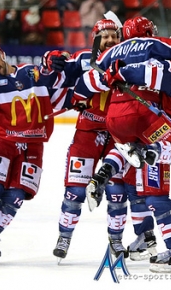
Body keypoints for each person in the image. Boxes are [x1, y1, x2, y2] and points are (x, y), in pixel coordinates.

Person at [77, 18, 171, 272]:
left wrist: (118, 72)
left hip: (163, 128)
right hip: (154, 128)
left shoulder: (170, 68)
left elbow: (154, 73)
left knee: (162, 181)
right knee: (152, 193)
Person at [0, 41, 69, 265]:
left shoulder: (29, 72)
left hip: (33, 144)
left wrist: (52, 61)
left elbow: (51, 75)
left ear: (1, 54)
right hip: (3, 141)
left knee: (18, 195)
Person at [52, 18, 126, 261]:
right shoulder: (83, 59)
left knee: (117, 192)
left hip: (118, 135)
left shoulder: (128, 59)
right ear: (95, 39)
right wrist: (51, 59)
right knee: (74, 191)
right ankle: (65, 236)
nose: (110, 40)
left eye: (113, 36)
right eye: (104, 36)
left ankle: (116, 240)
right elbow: (56, 77)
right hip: (87, 132)